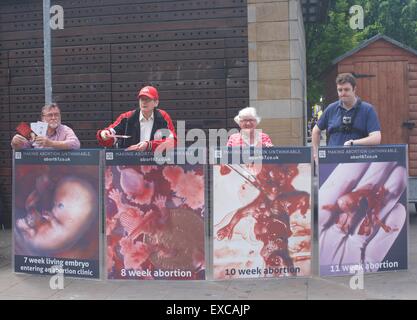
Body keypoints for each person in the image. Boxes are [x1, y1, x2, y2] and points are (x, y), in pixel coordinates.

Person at [312, 73, 381, 161]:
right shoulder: (331, 108)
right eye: (340, 90)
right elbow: (315, 131)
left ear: (354, 89)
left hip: (359, 162)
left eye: (346, 89)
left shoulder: (368, 110)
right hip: (332, 163)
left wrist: (353, 143)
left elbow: (376, 138)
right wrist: (316, 154)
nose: (343, 93)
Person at [97, 85, 176, 151]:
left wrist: (149, 145)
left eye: (147, 99)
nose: (144, 102)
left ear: (156, 103)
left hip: (155, 163)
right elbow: (111, 134)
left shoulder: (163, 116)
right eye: (141, 99)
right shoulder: (126, 117)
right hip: (129, 163)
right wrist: (103, 135)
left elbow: (173, 142)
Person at [11, 103, 80, 150]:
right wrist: (16, 144)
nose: (53, 118)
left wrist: (51, 143)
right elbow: (24, 148)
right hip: (39, 168)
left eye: (56, 115)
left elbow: (75, 144)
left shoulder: (65, 130)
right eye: (50, 115)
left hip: (59, 167)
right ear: (43, 118)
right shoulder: (35, 130)